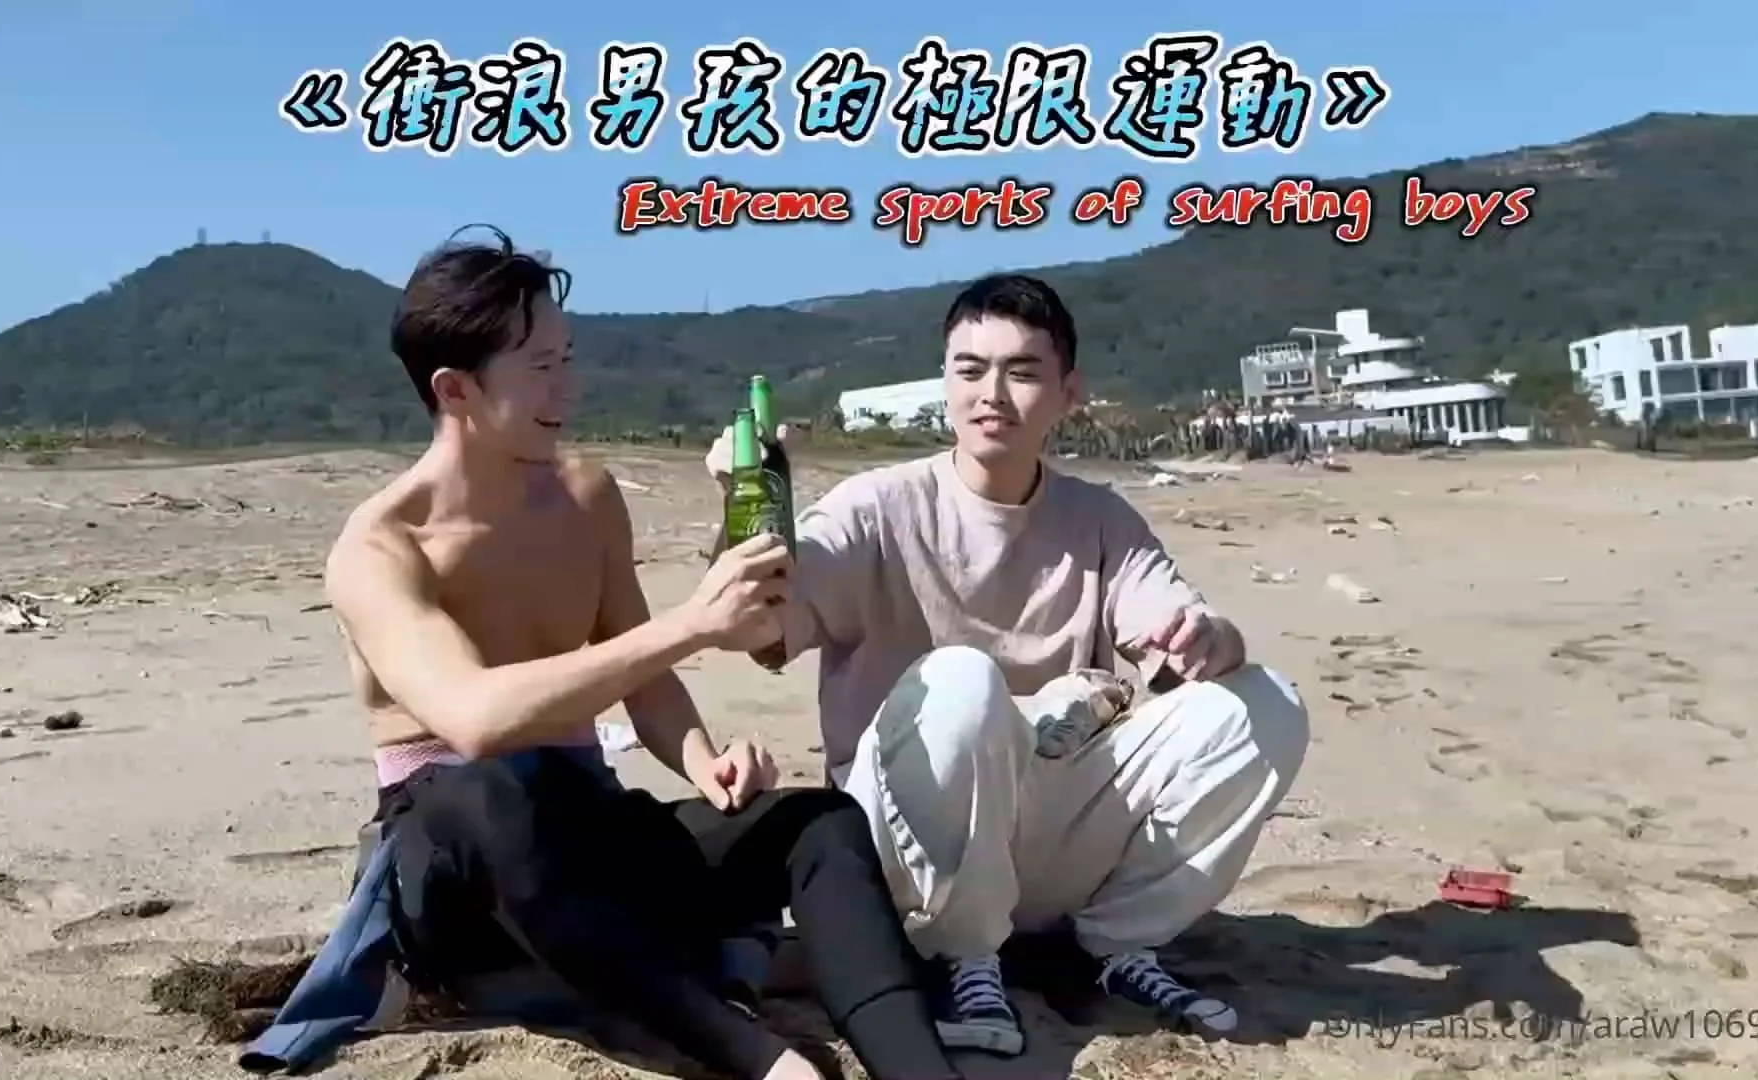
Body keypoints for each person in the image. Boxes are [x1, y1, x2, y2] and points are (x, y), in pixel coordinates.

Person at [284, 228, 957, 1080]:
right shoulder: (382, 547)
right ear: (456, 389)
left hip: (587, 832)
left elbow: (644, 680)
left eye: (568, 357)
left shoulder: (585, 496)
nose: (569, 385)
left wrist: (703, 759)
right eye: (541, 366)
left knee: (814, 822)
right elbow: (474, 717)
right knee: (484, 792)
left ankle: (917, 1068)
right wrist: (693, 623)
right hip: (454, 880)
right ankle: (762, 1059)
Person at [705, 273, 1311, 1056]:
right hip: (905, 845)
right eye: (970, 370)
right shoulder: (876, 507)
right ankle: (963, 957)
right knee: (961, 680)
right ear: (945, 380)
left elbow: (1180, 629)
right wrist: (741, 517)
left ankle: (1113, 944)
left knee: (1263, 703)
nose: (991, 394)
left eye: (1021, 372)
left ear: (1068, 393)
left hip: (1041, 834)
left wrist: (1211, 639)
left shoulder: (1099, 520)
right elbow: (757, 631)